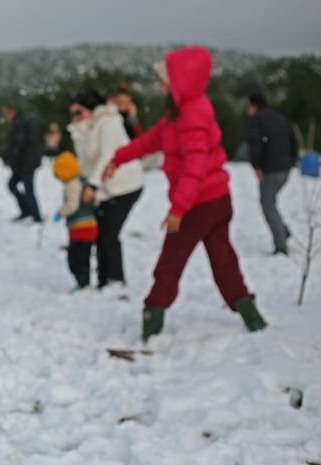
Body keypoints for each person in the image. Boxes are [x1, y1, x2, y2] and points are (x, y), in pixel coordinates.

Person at [103, 46, 267, 340]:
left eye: (165, 78)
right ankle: (249, 312)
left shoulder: (192, 116)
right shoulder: (179, 113)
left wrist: (179, 208)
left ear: (182, 81)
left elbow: (196, 168)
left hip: (200, 203)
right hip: (216, 199)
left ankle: (152, 318)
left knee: (171, 262)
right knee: (223, 259)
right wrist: (118, 158)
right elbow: (151, 140)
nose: (159, 84)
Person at [68, 89, 144, 290]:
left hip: (125, 185)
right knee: (100, 232)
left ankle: (115, 280)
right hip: (105, 188)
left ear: (92, 109)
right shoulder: (85, 128)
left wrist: (93, 185)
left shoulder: (109, 122)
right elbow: (86, 161)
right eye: (72, 113)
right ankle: (104, 279)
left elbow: (107, 156)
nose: (75, 117)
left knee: (108, 233)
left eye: (79, 112)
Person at [246, 92, 300, 255]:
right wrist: (293, 159)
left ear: (254, 105)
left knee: (267, 205)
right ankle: (283, 231)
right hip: (285, 169)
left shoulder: (256, 120)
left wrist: (257, 166)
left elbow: (255, 144)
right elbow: (293, 139)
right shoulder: (279, 117)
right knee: (270, 202)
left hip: (271, 169)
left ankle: (281, 246)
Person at [53, 152, 98, 290]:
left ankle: (83, 282)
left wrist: (61, 212)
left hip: (80, 227)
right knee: (83, 255)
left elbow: (73, 205)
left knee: (76, 258)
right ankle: (83, 281)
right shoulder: (83, 181)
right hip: (90, 225)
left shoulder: (71, 185)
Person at [1, 102, 43, 223]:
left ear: (11, 110)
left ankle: (36, 216)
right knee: (12, 185)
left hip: (26, 163)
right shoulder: (22, 121)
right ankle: (27, 210)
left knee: (28, 190)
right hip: (22, 163)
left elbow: (18, 144)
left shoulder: (21, 122)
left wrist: (9, 157)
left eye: (5, 113)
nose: (5, 117)